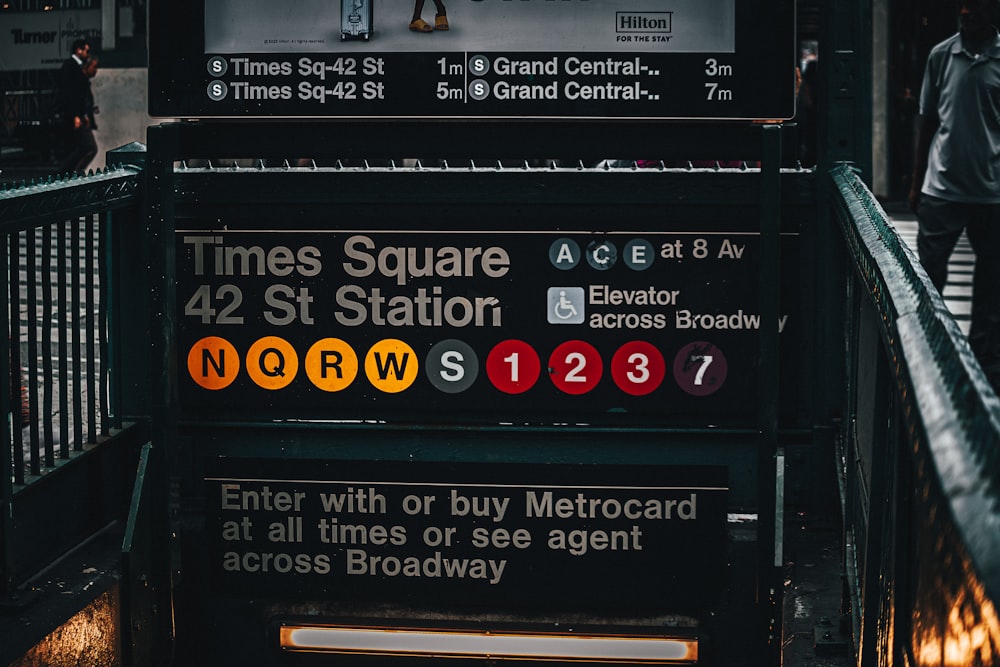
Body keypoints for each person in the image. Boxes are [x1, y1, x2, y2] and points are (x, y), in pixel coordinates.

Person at [909, 0, 1000, 391]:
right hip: (942, 188)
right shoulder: (942, 55)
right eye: (962, 5)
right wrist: (915, 181)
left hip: (992, 192)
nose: (965, 11)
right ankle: (928, 354)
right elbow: (927, 119)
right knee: (929, 274)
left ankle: (983, 374)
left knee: (992, 287)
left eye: (975, 5)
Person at [53, 38, 98, 172]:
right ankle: (67, 172)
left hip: (76, 115)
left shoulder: (75, 67)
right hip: (72, 115)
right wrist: (75, 115)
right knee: (87, 146)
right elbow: (69, 94)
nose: (88, 54)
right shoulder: (70, 66)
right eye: (86, 51)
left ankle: (70, 173)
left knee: (79, 146)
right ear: (79, 50)